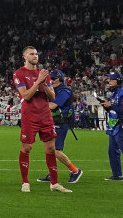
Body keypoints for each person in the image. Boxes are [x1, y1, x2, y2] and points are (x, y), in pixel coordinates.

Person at [12, 46, 70, 193]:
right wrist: (38, 82)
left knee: (51, 148)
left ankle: (55, 183)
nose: (35, 56)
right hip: (29, 116)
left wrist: (44, 82)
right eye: (31, 54)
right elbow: (25, 96)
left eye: (36, 53)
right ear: (24, 56)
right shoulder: (19, 73)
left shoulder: (44, 73)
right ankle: (25, 182)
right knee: (27, 147)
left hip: (45, 115)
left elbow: (52, 97)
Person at [36, 70, 83, 184]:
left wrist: (35, 106)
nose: (51, 78)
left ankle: (75, 170)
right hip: (53, 122)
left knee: (55, 150)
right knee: (50, 149)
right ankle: (52, 173)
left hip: (61, 123)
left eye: (53, 77)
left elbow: (52, 105)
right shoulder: (54, 89)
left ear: (59, 79)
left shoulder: (64, 91)